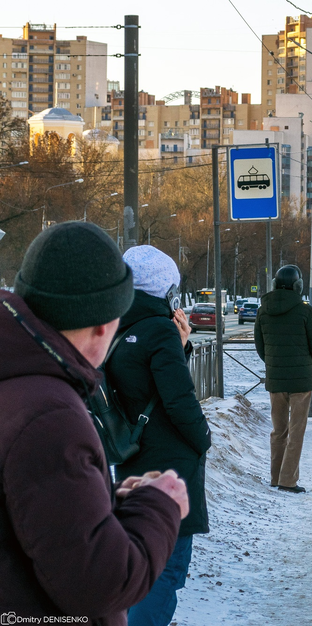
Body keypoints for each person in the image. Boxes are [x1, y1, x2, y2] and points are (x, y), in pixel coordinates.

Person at [0, 222, 188, 626]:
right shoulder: (49, 417)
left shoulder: (17, 381)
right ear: (105, 323)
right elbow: (101, 586)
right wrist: (159, 505)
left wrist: (108, 501)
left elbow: (35, 524)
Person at [107, 245, 212, 626]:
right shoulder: (158, 330)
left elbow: (142, 385)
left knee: (143, 561)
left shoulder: (118, 327)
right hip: (170, 464)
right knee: (167, 569)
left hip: (133, 456)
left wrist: (180, 345)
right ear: (163, 289)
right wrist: (203, 437)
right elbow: (179, 399)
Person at [255, 264, 312, 493]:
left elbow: (260, 346)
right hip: (301, 381)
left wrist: (274, 365)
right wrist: (308, 368)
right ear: (298, 286)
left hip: (276, 380)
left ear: (275, 284)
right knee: (296, 431)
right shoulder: (305, 311)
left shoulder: (263, 310)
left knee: (279, 431)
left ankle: (275, 478)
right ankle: (288, 481)